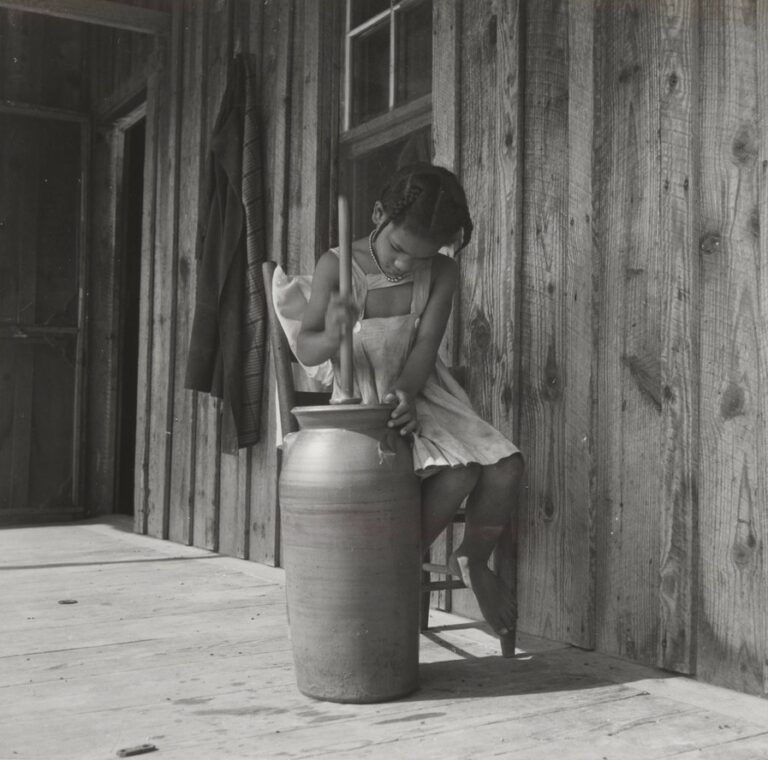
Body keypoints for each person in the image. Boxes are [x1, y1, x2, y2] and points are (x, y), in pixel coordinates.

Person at [295, 162, 525, 644]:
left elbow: (424, 349)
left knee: (505, 465)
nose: (405, 266)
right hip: (362, 400)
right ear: (379, 215)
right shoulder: (337, 265)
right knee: (460, 472)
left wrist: (408, 391)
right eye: (399, 249)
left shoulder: (443, 273)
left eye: (420, 259)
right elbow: (308, 352)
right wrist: (335, 328)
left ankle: (473, 559)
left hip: (422, 392)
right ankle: (394, 564)